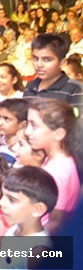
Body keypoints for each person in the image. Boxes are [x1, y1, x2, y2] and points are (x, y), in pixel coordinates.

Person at [24, 98, 79, 233]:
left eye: (34, 125)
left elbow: (55, 221)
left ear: (59, 133)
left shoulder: (56, 172)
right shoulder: (61, 160)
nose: (27, 132)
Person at [0, 167, 57, 270]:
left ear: (38, 209)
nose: (1, 202)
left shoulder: (38, 251)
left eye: (12, 199)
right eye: (2, 195)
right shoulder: (15, 229)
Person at [23, 34, 83, 112]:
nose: (39, 65)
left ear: (62, 62)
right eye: (35, 58)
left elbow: (77, 122)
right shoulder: (30, 86)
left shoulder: (75, 89)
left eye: (47, 60)